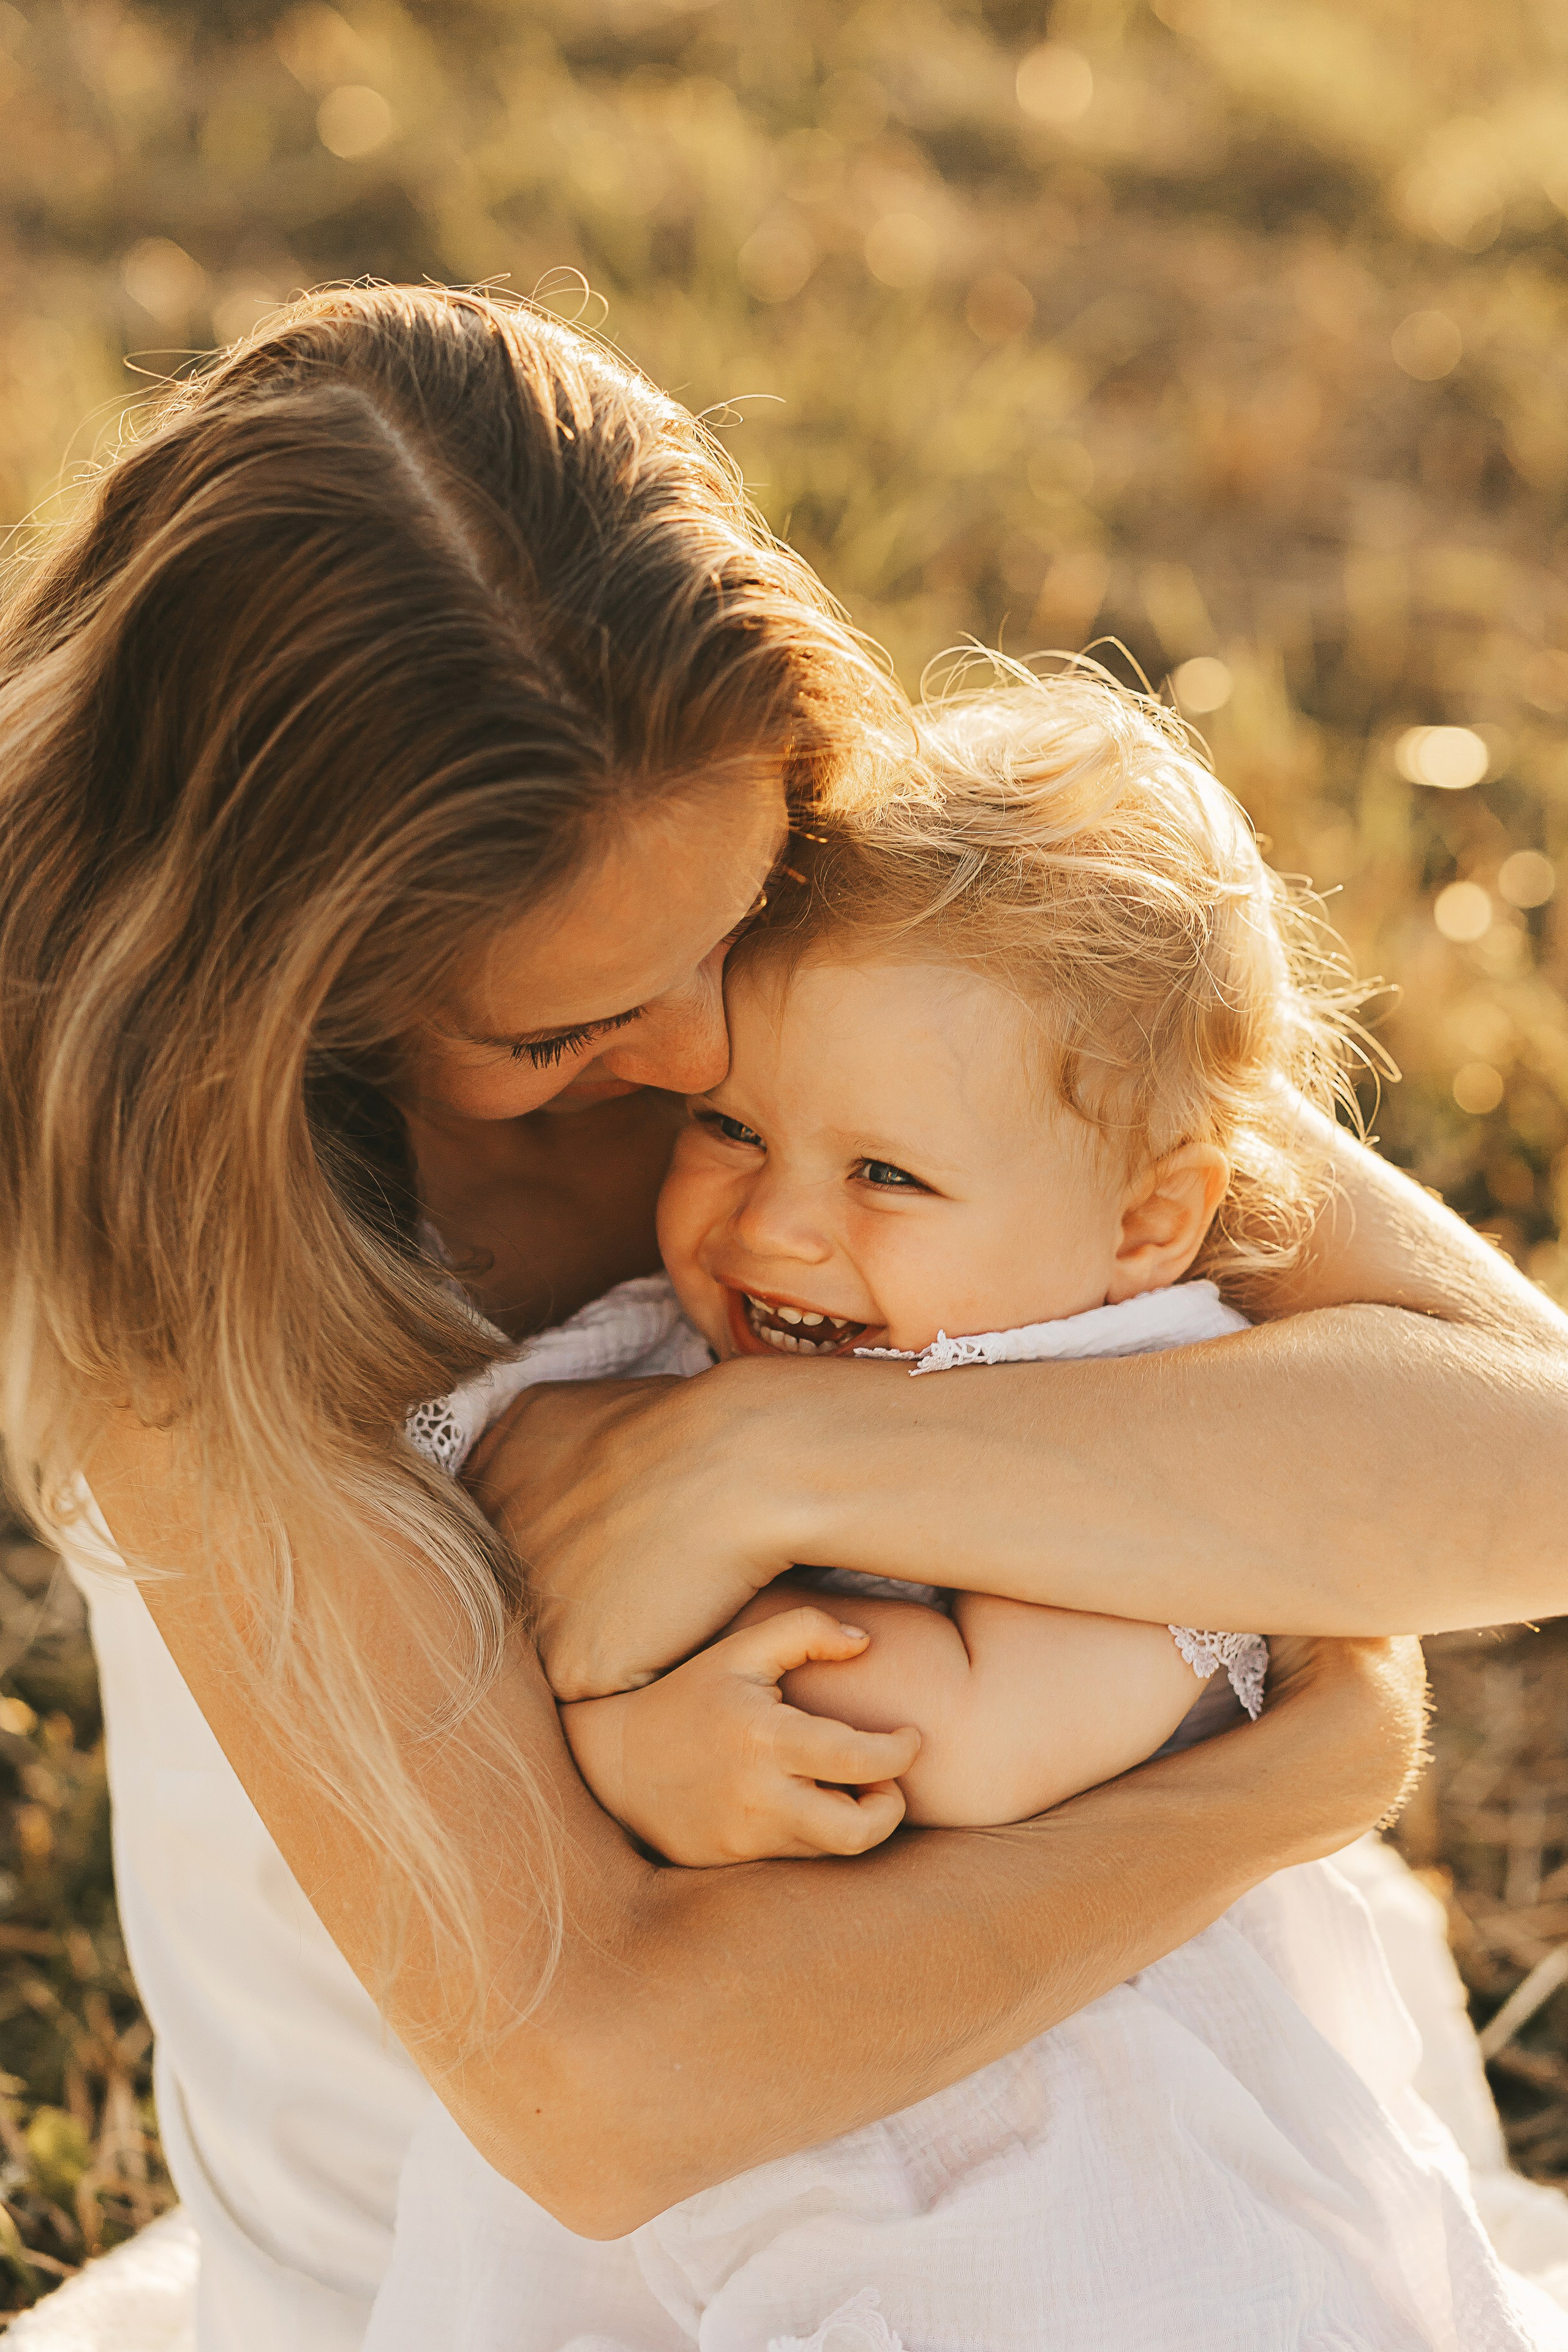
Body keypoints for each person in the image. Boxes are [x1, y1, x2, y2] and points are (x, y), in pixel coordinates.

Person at [0, 283, 1553, 2351]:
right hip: (495, 2266)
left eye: (735, 920)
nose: (713, 1033)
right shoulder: (177, 1270)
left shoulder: (858, 891)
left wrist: (765, 1455)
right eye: (565, 1027)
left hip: (1110, 2120)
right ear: (295, 993)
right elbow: (609, 2091)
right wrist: (1279, 1785)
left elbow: (1527, 1469)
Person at [357, 665, 1562, 2349]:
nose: (776, 1226)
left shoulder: (1157, 1398)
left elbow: (983, 1744)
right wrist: (613, 1711)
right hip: (741, 2119)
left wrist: (650, 1742)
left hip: (1077, 2133)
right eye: (731, 1128)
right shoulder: (662, 1339)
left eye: (887, 1175)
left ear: (1147, 1224)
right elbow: (457, 1592)